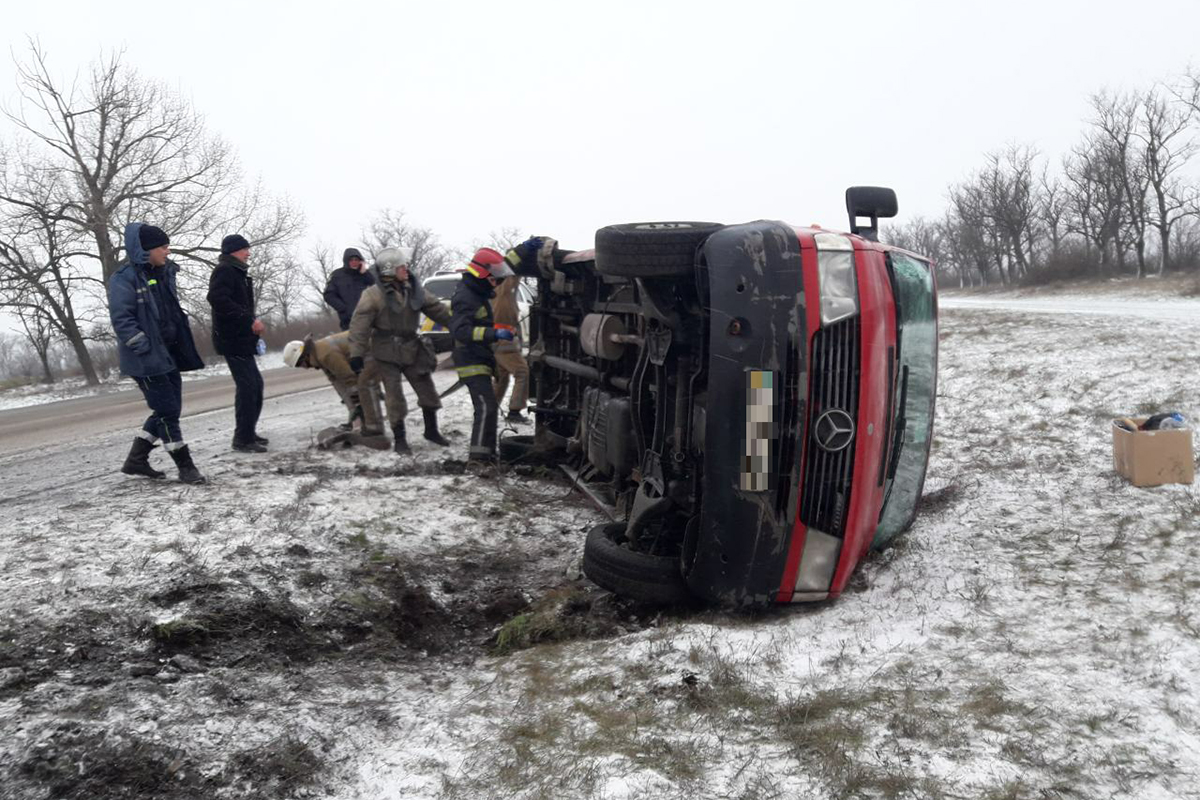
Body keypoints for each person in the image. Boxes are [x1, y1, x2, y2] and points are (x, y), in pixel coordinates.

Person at [109, 222, 207, 484]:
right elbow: (122, 320)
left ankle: (136, 460)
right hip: (147, 360)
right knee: (167, 412)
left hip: (169, 354)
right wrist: (144, 346)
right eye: (163, 247)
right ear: (147, 249)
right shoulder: (125, 278)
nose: (168, 251)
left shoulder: (164, 273)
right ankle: (186, 467)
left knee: (169, 409)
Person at [347, 247, 454, 453]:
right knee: (394, 397)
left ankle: (431, 431)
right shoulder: (372, 295)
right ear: (389, 270)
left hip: (412, 347)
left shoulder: (414, 290)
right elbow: (359, 327)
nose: (406, 270)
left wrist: (461, 326)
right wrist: (356, 354)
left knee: (427, 390)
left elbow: (438, 310)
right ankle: (400, 439)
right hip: (386, 351)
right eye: (401, 267)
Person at [448, 247, 519, 465]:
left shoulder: (476, 293)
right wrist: (494, 333)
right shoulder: (466, 297)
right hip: (470, 360)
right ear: (482, 273)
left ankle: (487, 455)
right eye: (494, 276)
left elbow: (477, 324)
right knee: (485, 408)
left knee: (489, 407)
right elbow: (461, 331)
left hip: (479, 357)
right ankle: (478, 459)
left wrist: (497, 328)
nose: (497, 281)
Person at [207, 234, 267, 453]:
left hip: (242, 340)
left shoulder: (238, 273)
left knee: (255, 386)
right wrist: (248, 319)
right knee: (248, 387)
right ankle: (242, 439)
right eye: (245, 249)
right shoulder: (225, 271)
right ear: (234, 250)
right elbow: (217, 298)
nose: (248, 253)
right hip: (232, 340)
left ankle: (248, 433)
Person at [282, 332, 385, 433]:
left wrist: (357, 401)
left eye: (300, 365)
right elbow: (336, 381)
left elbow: (348, 376)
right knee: (359, 393)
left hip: (375, 349)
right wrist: (352, 409)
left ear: (303, 358)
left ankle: (374, 428)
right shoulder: (317, 355)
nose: (305, 368)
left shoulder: (325, 355)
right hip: (361, 354)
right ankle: (360, 422)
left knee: (366, 386)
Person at [491, 274, 530, 424]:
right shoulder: (504, 289)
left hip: (498, 339)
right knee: (522, 372)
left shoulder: (495, 291)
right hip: (504, 340)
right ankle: (515, 410)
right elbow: (512, 274)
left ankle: (490, 408)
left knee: (502, 377)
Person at [323, 247, 374, 331]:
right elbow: (328, 295)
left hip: (369, 319)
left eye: (356, 259)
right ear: (347, 261)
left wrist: (365, 273)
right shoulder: (337, 275)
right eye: (351, 260)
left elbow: (375, 288)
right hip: (348, 321)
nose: (354, 262)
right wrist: (343, 309)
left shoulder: (365, 275)